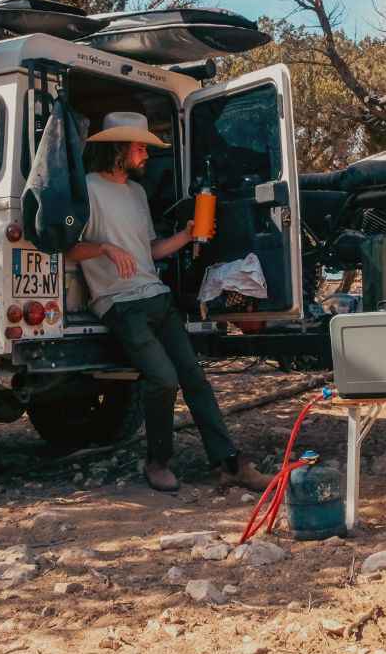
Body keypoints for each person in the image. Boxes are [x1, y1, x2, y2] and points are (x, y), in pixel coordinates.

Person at [66, 111, 273, 493]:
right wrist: (106, 248)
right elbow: (68, 249)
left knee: (194, 378)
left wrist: (187, 234)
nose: (146, 154)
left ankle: (229, 462)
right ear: (119, 148)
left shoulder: (136, 192)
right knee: (163, 379)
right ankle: (156, 461)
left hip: (156, 296)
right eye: (141, 147)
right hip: (119, 302)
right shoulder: (88, 188)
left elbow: (150, 249)